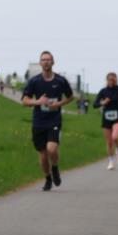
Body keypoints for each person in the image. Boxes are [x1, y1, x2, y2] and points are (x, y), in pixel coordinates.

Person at [21, 51, 75, 190]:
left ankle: (55, 168)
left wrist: (59, 104)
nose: (46, 62)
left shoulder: (60, 81)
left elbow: (70, 97)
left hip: (54, 120)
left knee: (52, 148)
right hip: (38, 121)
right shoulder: (34, 81)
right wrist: (38, 102)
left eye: (48, 60)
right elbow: (24, 101)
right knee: (43, 154)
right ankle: (47, 178)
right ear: (40, 63)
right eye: (43, 60)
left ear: (53, 62)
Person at [93, 72, 118, 170]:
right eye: (109, 80)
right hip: (106, 118)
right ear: (107, 80)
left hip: (117, 117)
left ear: (116, 80)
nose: (111, 81)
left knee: (115, 137)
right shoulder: (103, 91)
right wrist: (103, 102)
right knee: (109, 142)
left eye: (113, 79)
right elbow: (95, 104)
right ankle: (111, 161)